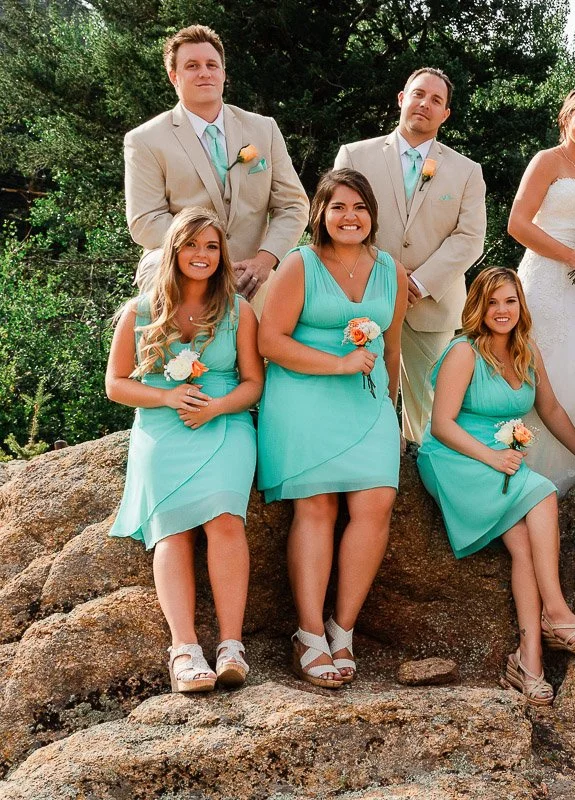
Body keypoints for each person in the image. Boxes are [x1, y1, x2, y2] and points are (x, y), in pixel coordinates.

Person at [417, 267, 575, 706]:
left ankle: (529, 662)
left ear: (521, 306)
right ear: (479, 308)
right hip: (457, 457)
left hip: (500, 461)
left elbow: (553, 410)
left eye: (510, 301)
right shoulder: (464, 351)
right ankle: (557, 614)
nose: (502, 311)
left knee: (523, 545)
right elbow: (441, 425)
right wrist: (492, 457)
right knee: (540, 490)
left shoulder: (526, 352)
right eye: (493, 302)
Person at [256, 169, 407, 688]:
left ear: (373, 215)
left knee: (376, 503)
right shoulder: (301, 264)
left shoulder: (392, 271)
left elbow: (391, 349)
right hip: (303, 399)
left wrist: (387, 409)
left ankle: (342, 628)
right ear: (320, 213)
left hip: (366, 404)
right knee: (317, 504)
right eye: (338, 207)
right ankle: (307, 633)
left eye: (360, 207)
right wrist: (338, 365)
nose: (350, 217)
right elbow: (269, 341)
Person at [106, 206, 262, 694]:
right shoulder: (140, 311)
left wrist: (215, 408)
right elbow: (115, 384)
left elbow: (253, 384)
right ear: (174, 249)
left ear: (222, 255)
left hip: (225, 422)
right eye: (192, 244)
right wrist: (167, 396)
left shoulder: (239, 311)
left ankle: (232, 646)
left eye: (212, 246)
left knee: (224, 521)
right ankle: (185, 650)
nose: (202, 255)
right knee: (172, 530)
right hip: (161, 424)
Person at [335, 67, 486, 445]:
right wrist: (385, 271)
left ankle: (422, 483)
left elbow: (469, 238)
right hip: (363, 295)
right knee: (360, 390)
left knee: (431, 407)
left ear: (446, 114)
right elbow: (339, 220)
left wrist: (416, 282)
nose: (426, 104)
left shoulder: (467, 171)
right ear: (402, 99)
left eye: (437, 100)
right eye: (419, 94)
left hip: (430, 303)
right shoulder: (355, 155)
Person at [124, 25, 308, 315]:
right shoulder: (145, 140)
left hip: (252, 274)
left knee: (280, 329)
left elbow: (293, 205)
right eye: (192, 66)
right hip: (180, 267)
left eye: (212, 65)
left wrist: (265, 260)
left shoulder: (264, 129)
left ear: (223, 73)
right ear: (174, 77)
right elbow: (145, 220)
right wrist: (205, 258)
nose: (204, 73)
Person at [508, 86, 575, 493]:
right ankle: (530, 476)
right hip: (546, 281)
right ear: (566, 118)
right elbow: (518, 224)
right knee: (544, 365)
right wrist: (569, 257)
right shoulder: (547, 162)